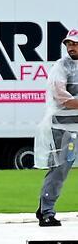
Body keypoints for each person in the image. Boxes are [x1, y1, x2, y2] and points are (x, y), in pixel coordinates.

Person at [35, 29, 78, 228]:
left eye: (75, 43)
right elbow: (61, 96)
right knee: (60, 168)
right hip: (63, 128)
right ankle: (46, 211)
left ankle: (45, 207)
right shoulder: (62, 67)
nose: (72, 47)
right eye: (69, 44)